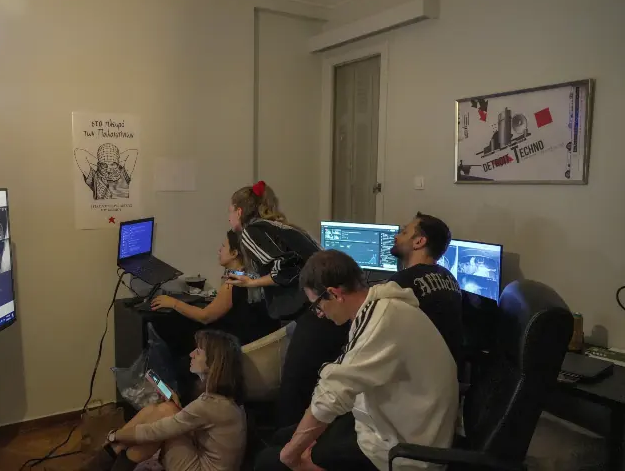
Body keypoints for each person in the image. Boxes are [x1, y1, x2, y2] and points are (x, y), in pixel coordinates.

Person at [255, 250, 459, 471]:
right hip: (396, 423)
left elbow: (332, 393)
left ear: (334, 294)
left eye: (317, 306)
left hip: (405, 449)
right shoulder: (383, 305)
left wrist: (291, 455)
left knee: (270, 461)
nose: (320, 314)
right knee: (282, 437)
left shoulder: (380, 320)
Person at [224, 181, 349, 427]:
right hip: (332, 307)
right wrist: (252, 278)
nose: (229, 217)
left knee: (294, 386)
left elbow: (287, 269)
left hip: (315, 309)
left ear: (239, 211)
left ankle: (289, 440)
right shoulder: (281, 227)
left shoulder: (251, 232)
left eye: (229, 211)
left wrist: (252, 283)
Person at [92, 330, 247, 471]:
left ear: (214, 362)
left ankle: (109, 455)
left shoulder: (212, 404)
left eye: (198, 352)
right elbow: (200, 430)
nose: (191, 354)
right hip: (200, 454)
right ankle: (109, 457)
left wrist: (115, 435)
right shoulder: (222, 399)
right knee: (163, 409)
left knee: (163, 417)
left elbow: (154, 431)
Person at [150, 231, 280, 345]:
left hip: (236, 342)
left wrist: (173, 303)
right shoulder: (252, 275)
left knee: (173, 325)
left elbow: (205, 317)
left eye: (223, 246)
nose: (219, 250)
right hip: (255, 336)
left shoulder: (233, 283)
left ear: (234, 253)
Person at [389, 212, 464, 366]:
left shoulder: (401, 282)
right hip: (444, 372)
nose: (396, 237)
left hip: (415, 373)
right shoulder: (450, 278)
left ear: (419, 242)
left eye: (404, 232)